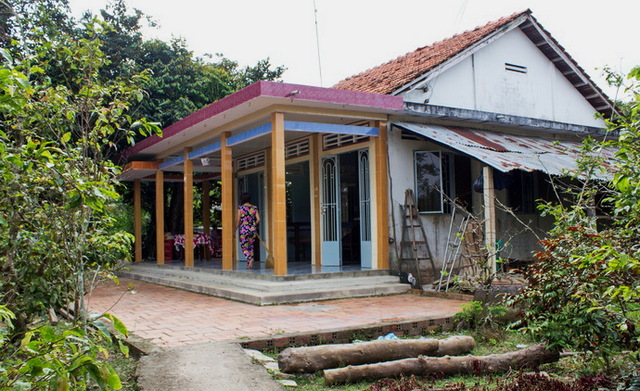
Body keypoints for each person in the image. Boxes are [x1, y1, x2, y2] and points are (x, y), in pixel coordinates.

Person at [236, 192, 260, 269]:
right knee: (251, 246)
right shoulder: (254, 208)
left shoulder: (241, 208)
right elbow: (258, 219)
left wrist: (235, 229)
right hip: (252, 230)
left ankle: (250, 258)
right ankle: (249, 265)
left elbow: (238, 221)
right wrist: (253, 225)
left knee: (244, 247)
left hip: (244, 229)